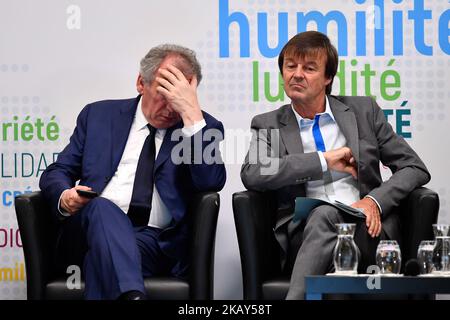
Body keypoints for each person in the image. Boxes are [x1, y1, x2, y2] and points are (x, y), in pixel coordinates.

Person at [240, 31, 430, 299]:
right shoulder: (269, 123)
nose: (296, 74)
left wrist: (374, 201)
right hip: (305, 237)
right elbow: (253, 172)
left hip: (367, 230)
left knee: (327, 228)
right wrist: (322, 160)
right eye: (290, 66)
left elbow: (414, 168)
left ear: (328, 78)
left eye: (309, 68)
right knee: (323, 218)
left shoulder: (363, 111)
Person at [39, 44, 226, 300]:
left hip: (151, 242)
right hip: (85, 231)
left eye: (179, 98)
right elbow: (57, 171)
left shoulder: (200, 128)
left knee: (105, 260)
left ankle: (131, 295)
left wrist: (192, 116)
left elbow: (210, 182)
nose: (171, 108)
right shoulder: (98, 116)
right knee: (102, 208)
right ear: (141, 83)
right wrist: (65, 196)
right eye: (165, 95)